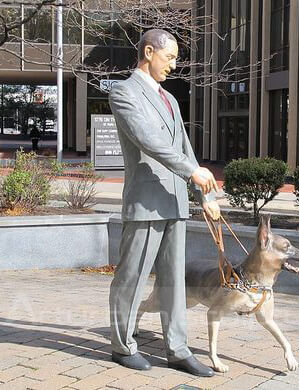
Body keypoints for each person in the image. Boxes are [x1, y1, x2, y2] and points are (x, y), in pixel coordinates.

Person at [108, 29, 220, 377]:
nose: (173, 65)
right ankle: (122, 346)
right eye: (169, 57)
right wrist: (192, 172)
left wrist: (206, 194)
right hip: (145, 202)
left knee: (173, 281)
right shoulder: (124, 92)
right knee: (132, 277)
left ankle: (178, 349)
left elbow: (184, 147)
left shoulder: (170, 100)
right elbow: (149, 140)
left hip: (174, 202)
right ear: (149, 51)